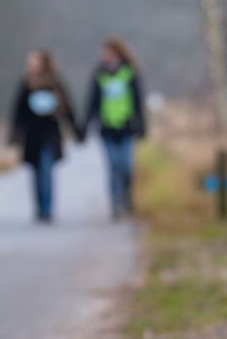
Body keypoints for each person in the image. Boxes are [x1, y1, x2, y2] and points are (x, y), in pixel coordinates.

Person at [8, 50, 80, 223]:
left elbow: (67, 109)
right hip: (32, 136)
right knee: (35, 173)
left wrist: (77, 131)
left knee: (46, 170)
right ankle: (39, 207)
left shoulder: (55, 84)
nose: (31, 65)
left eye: (34, 61)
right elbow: (18, 111)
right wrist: (15, 134)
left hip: (50, 133)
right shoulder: (26, 84)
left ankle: (47, 209)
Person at [79, 37, 146, 220]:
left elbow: (138, 101)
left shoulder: (129, 72)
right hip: (107, 128)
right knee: (113, 166)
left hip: (126, 127)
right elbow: (92, 102)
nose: (104, 56)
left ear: (117, 52)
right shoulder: (100, 74)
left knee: (126, 166)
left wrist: (142, 126)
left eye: (107, 52)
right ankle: (115, 204)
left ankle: (127, 199)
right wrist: (85, 127)